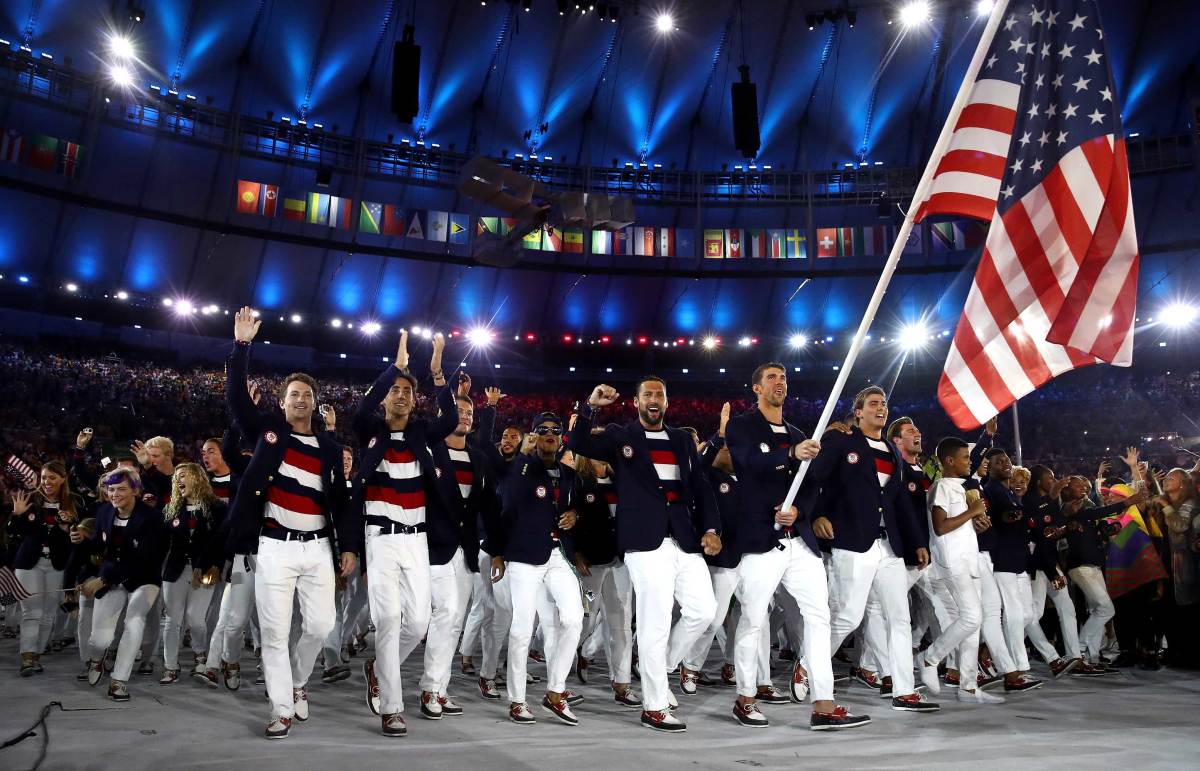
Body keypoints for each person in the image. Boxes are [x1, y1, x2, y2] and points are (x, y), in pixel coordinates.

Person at [223, 307, 360, 739]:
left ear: (314, 403)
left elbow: (342, 501)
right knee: (275, 632)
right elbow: (236, 401)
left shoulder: (328, 446)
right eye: (294, 394)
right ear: (282, 403)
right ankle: (280, 707)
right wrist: (241, 346)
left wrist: (349, 547)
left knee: (320, 626)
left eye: (307, 394)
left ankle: (299, 681)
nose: (301, 399)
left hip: (318, 548)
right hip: (275, 546)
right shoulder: (267, 433)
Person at [570, 378, 721, 733]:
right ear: (637, 401)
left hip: (683, 539)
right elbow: (576, 442)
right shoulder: (621, 436)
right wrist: (590, 407)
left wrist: (712, 529)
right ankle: (654, 706)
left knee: (705, 611)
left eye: (660, 395)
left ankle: (662, 666)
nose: (654, 400)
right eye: (648, 395)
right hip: (643, 542)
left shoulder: (683, 440)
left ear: (667, 403)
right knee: (654, 623)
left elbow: (700, 486)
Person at [724, 364, 868, 730]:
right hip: (760, 540)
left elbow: (811, 486)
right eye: (771, 377)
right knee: (753, 619)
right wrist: (789, 456)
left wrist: (799, 510)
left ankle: (824, 703)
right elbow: (747, 462)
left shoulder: (799, 433)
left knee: (819, 618)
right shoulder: (742, 427)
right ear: (756, 387)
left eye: (783, 377)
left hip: (799, 542)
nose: (780, 382)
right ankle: (745, 697)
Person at [352, 330, 457, 737]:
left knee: (418, 623)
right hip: (379, 537)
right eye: (394, 390)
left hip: (417, 538)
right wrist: (394, 367)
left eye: (406, 392)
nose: (399, 396)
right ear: (385, 396)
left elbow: (448, 419)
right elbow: (362, 407)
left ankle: (378, 667)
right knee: (389, 620)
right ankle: (392, 708)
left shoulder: (420, 434)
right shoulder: (369, 430)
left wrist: (435, 372)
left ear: (414, 401)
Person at [807, 386, 937, 713]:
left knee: (899, 618)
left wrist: (918, 541)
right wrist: (817, 514)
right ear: (859, 411)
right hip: (852, 540)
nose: (880, 408)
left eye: (884, 404)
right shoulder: (842, 440)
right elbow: (813, 479)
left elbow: (899, 503)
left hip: (888, 546)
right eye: (873, 404)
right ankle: (809, 666)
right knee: (847, 615)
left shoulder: (893, 452)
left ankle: (903, 691)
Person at [491, 412, 584, 725]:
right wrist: (497, 554)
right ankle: (517, 700)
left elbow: (575, 506)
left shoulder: (569, 475)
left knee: (573, 618)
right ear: (533, 437)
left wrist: (575, 516)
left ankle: (555, 691)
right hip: (523, 556)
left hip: (557, 555)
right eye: (542, 430)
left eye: (555, 431)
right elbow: (503, 510)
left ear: (560, 438)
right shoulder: (522, 467)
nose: (549, 435)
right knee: (521, 628)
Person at [418, 380, 499, 718]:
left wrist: (495, 549)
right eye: (459, 411)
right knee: (445, 614)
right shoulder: (427, 450)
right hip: (431, 547)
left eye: (469, 412)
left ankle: (438, 688)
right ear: (444, 414)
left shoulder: (479, 459)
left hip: (465, 552)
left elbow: (490, 509)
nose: (465, 417)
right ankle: (426, 687)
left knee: (453, 621)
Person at [918, 437, 1003, 704]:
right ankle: (929, 657)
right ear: (950, 461)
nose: (971, 462)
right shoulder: (941, 486)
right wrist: (972, 512)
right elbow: (941, 526)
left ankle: (968, 687)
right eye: (966, 457)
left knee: (972, 626)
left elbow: (960, 525)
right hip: (951, 562)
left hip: (970, 561)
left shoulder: (963, 488)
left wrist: (977, 523)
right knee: (972, 618)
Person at [79, 468, 169, 701]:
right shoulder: (104, 512)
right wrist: (86, 571)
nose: (114, 494)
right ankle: (97, 660)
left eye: (121, 489)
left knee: (134, 621)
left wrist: (103, 579)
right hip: (110, 577)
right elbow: (99, 549)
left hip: (144, 579)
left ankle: (119, 681)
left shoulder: (152, 518)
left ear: (136, 491)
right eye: (111, 489)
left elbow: (144, 559)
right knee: (100, 640)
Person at [10, 460, 84, 675]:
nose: (47, 482)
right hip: (28, 564)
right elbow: (15, 533)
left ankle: (37, 656)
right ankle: (27, 657)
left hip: (57, 564)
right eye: (43, 477)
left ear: (62, 479)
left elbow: (80, 538)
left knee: (48, 614)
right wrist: (17, 515)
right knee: (31, 611)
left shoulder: (74, 502)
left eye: (52, 477)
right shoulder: (30, 500)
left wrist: (67, 527)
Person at [158, 463, 227, 685]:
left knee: (196, 619)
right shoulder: (171, 509)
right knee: (172, 620)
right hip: (175, 570)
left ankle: (199, 653)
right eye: (177, 477)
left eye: (184, 476)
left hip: (205, 570)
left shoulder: (216, 507)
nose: (179, 480)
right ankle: (170, 666)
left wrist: (215, 565)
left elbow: (220, 541)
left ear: (197, 478)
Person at [1021, 464, 1085, 678]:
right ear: (1039, 482)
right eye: (1050, 478)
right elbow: (1040, 539)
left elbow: (1053, 532)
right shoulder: (1030, 502)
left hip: (1050, 564)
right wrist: (1053, 573)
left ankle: (1075, 658)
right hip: (1038, 566)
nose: (1054, 480)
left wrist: (1067, 522)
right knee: (1033, 614)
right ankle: (1044, 657)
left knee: (1067, 608)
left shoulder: (1050, 502)